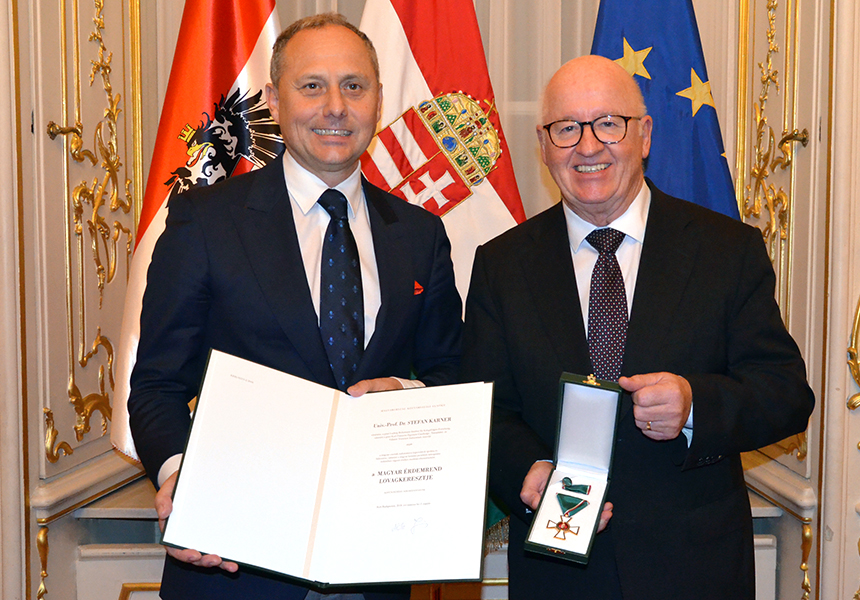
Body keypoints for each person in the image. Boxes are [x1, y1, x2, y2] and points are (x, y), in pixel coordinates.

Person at [128, 13, 462, 600]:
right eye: (312, 86)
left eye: (353, 86)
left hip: (375, 567)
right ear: (276, 101)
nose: (335, 105)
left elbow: (451, 376)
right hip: (233, 564)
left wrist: (406, 396)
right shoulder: (204, 221)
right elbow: (156, 383)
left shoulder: (420, 235)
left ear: (378, 102)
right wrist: (183, 479)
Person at [460, 55, 815, 600]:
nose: (587, 145)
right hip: (560, 573)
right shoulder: (501, 265)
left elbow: (787, 393)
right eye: (566, 128)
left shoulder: (727, 251)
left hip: (694, 570)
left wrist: (696, 403)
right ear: (544, 143)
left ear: (643, 134)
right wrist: (526, 470)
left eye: (608, 123)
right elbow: (486, 407)